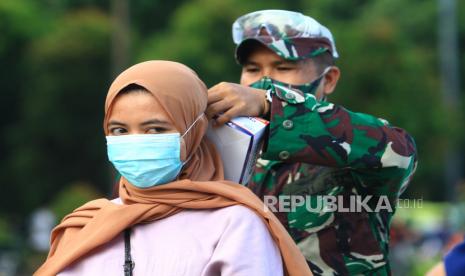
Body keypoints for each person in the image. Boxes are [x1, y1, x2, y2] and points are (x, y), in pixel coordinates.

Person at [34, 61, 312, 276]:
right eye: (119, 130)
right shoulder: (83, 226)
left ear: (194, 132)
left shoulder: (234, 223)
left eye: (155, 129)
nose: (135, 142)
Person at [206, 10, 418, 275]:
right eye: (252, 69)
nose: (264, 80)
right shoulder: (225, 154)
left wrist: (271, 104)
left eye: (283, 67)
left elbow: (400, 151)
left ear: (328, 80)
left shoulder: (351, 151)